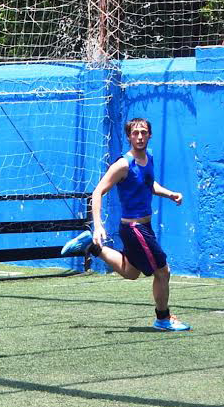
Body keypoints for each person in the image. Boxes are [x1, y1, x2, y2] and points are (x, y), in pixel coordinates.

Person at [61, 117, 190, 331]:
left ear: (149, 135)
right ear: (129, 136)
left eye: (143, 132)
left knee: (131, 272)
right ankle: (163, 318)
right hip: (134, 228)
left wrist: (169, 194)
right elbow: (97, 192)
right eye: (135, 133)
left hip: (144, 228)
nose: (139, 137)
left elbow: (149, 184)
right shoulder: (123, 164)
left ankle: (92, 247)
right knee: (163, 271)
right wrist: (98, 225)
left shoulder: (148, 157)